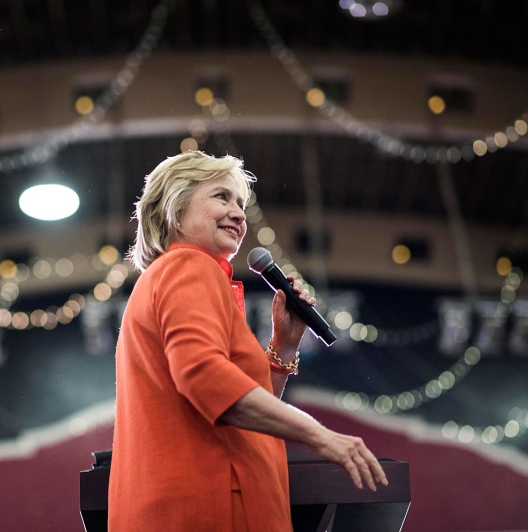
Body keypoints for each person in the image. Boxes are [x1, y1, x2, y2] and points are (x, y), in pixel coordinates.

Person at [108, 151, 387, 531]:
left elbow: (237, 413)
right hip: (211, 508)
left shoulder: (168, 277)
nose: (239, 214)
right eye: (221, 197)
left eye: (241, 203)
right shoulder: (188, 266)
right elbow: (206, 380)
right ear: (175, 202)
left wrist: (283, 348)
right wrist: (321, 436)